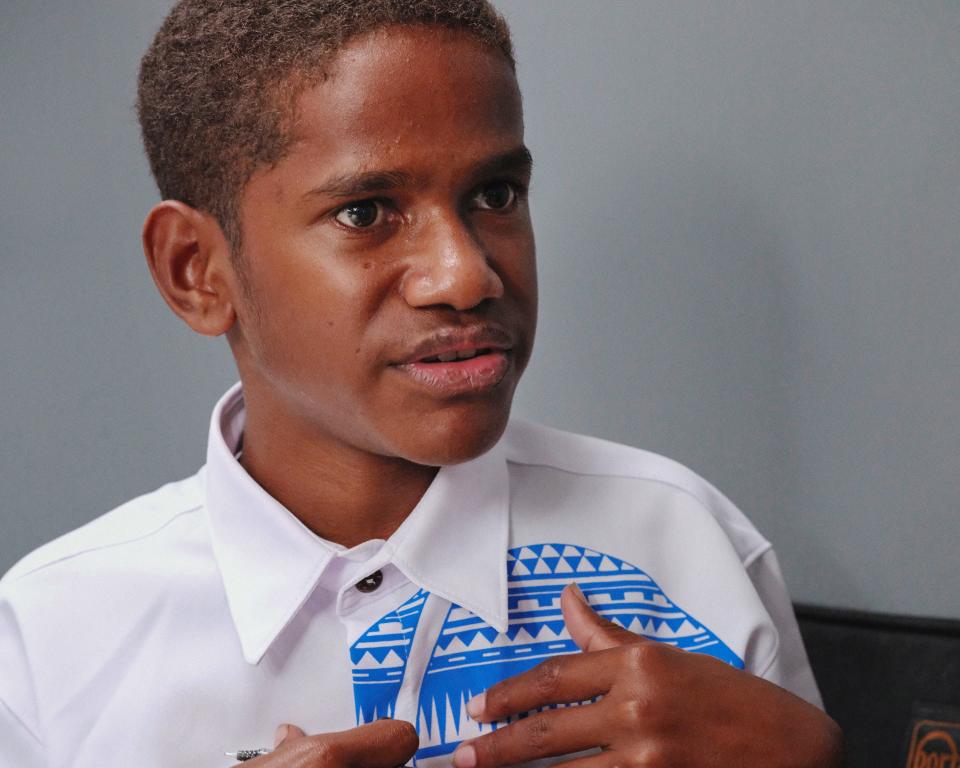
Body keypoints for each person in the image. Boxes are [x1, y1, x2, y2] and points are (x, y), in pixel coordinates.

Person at [0, 1, 842, 766]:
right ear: (197, 272)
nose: (465, 274)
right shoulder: (50, 641)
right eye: (366, 211)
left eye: (495, 193)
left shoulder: (685, 547)